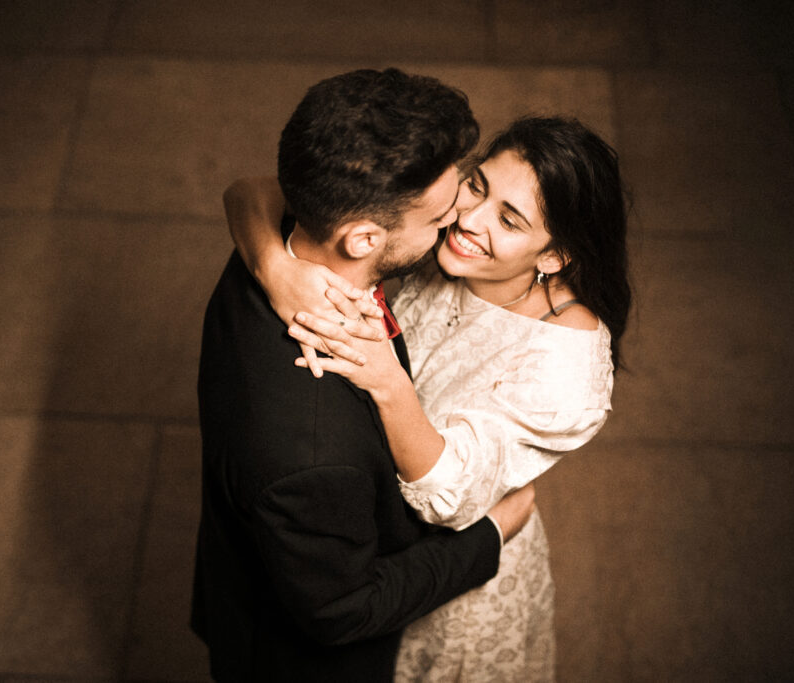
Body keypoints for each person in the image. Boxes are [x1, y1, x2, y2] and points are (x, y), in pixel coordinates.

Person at [225, 115, 631, 680]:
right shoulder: (444, 232)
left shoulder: (569, 369)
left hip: (453, 586)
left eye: (509, 221)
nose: (467, 220)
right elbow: (253, 190)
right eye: (479, 185)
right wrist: (275, 268)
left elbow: (451, 496)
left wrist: (386, 379)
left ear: (553, 257)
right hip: (367, 533)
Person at [192, 68, 537, 682]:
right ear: (363, 239)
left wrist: (270, 262)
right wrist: (487, 536)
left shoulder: (287, 238)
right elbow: (341, 609)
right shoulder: (316, 452)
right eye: (437, 219)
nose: (459, 217)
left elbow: (249, 192)